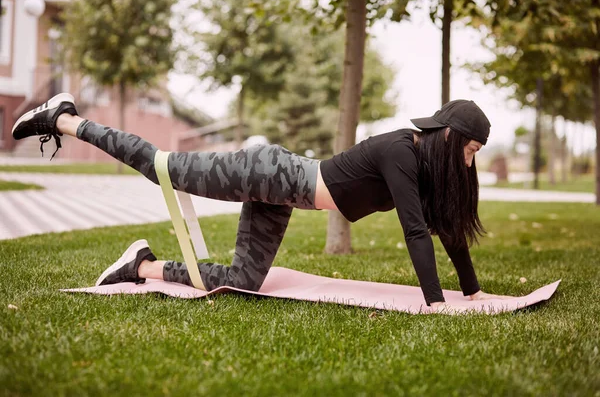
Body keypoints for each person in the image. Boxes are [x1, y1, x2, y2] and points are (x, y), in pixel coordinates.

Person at [12, 93, 511, 312]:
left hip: (283, 196)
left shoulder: (425, 167)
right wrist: (435, 302)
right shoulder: (401, 149)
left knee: (241, 281)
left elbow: (446, 227)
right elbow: (415, 231)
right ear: (448, 137)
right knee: (162, 165)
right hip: (268, 172)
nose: (469, 164)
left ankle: (139, 266)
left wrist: (471, 292)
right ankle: (63, 119)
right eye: (469, 151)